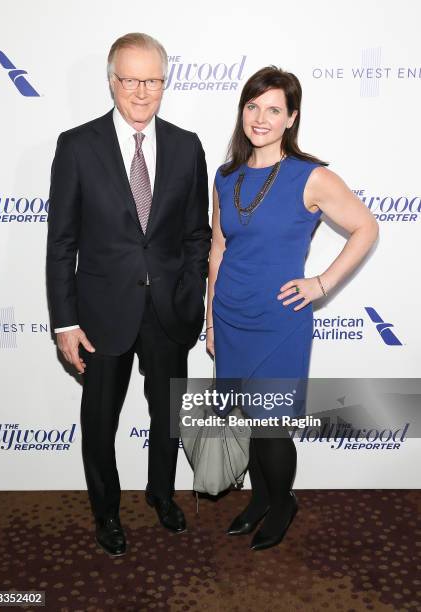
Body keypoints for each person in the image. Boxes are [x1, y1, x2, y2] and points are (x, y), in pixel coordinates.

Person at [46, 33, 211, 557]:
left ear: (166, 82)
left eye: (153, 80)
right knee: (100, 422)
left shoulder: (187, 145)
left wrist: (191, 294)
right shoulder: (77, 145)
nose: (142, 92)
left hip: (168, 311)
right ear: (112, 81)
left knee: (168, 414)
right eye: (131, 80)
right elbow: (62, 242)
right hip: (100, 314)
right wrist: (64, 321)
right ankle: (106, 512)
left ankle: (161, 494)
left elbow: (196, 234)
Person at [206, 66, 378, 551]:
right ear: (243, 110)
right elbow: (218, 248)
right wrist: (210, 320)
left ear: (291, 118)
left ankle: (283, 504)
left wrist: (322, 283)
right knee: (248, 419)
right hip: (231, 314)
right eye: (253, 106)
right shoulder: (225, 176)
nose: (261, 117)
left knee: (272, 426)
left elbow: (366, 228)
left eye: (274, 109)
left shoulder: (312, 176)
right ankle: (260, 499)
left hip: (280, 320)